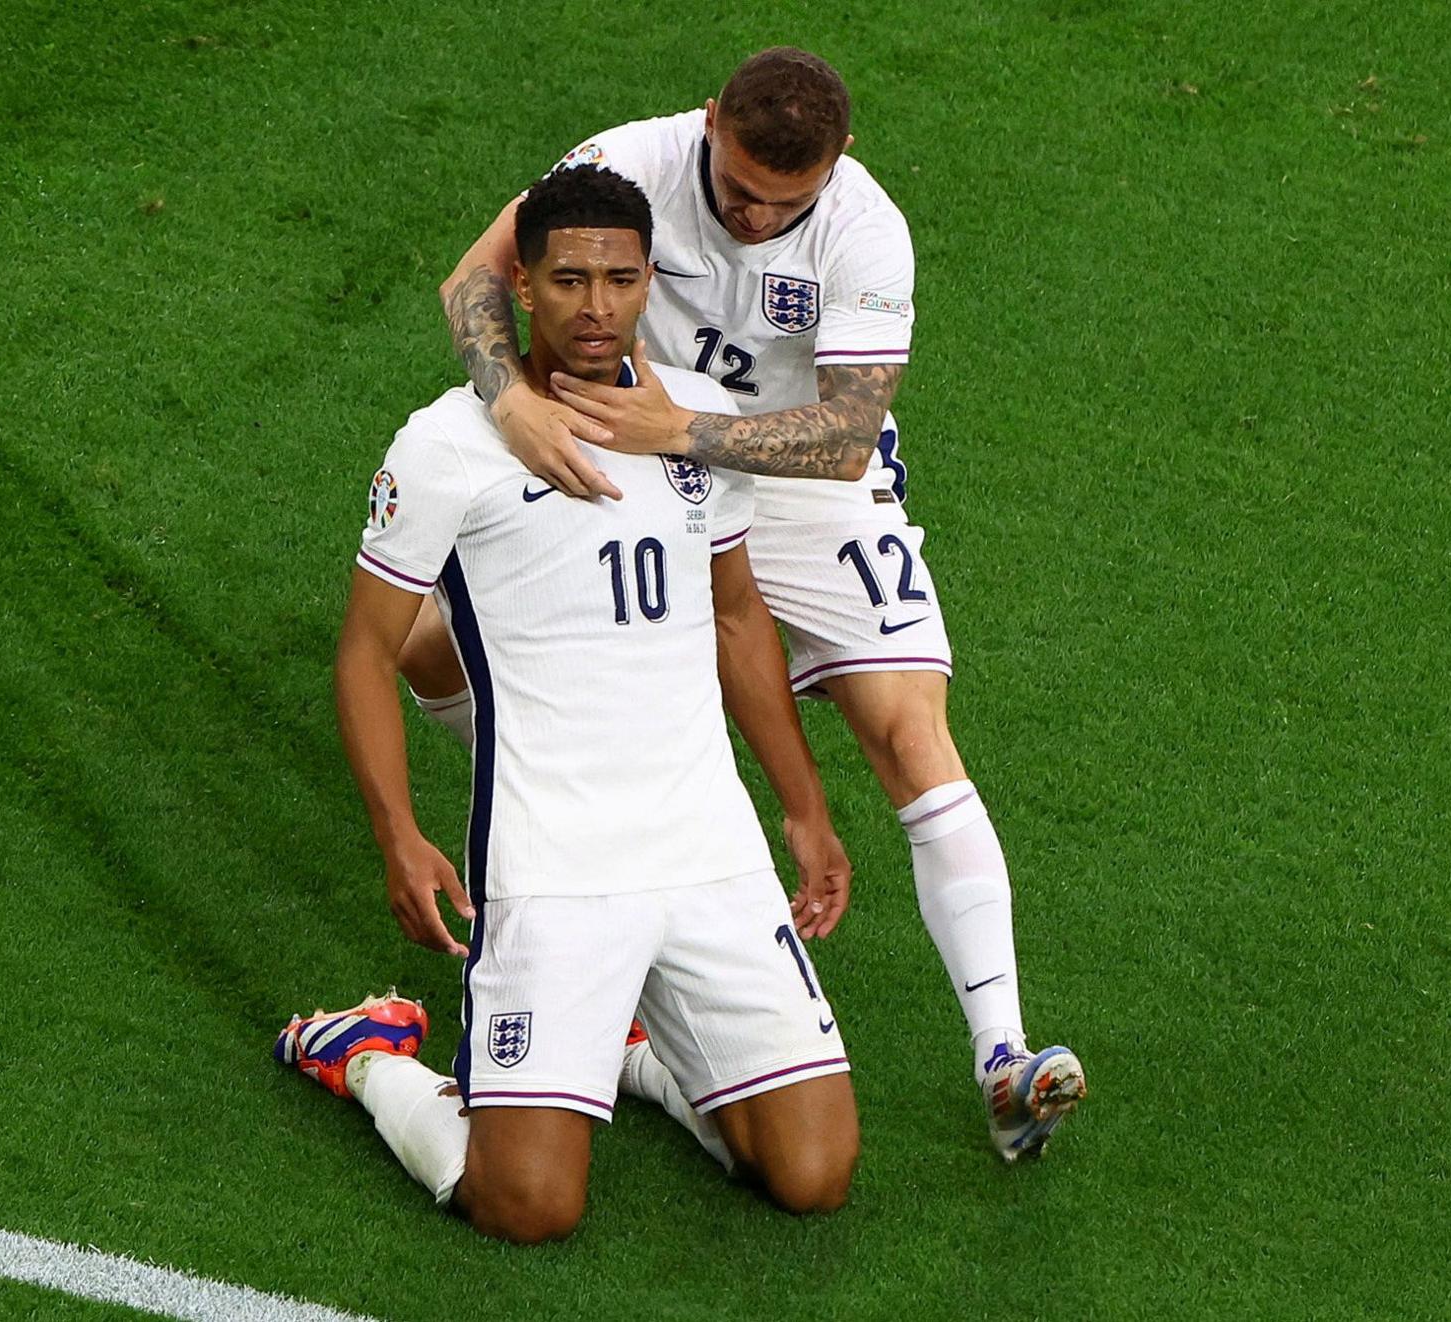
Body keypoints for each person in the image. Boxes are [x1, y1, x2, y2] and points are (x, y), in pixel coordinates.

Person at [420, 48, 1086, 1161]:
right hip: (620, 451)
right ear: (710, 119)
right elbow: (475, 281)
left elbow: (843, 434)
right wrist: (511, 405)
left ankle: (1003, 1055)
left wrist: (679, 429)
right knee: (428, 647)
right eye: (735, 189)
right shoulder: (626, 160)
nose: (753, 214)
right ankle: (567, 827)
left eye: (786, 201)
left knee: (909, 726)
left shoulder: (866, 231)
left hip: (785, 478)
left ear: (840, 164)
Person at [278, 165, 859, 1244]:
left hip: (708, 852)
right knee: (529, 1204)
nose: (598, 307)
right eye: (571, 280)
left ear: (652, 280)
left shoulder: (698, 425)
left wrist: (803, 801)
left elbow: (736, 617)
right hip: (552, 865)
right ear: (522, 287)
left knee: (812, 1172)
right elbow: (365, 651)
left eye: (623, 279)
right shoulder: (448, 444)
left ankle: (631, 1050)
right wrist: (397, 833)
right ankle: (363, 1053)